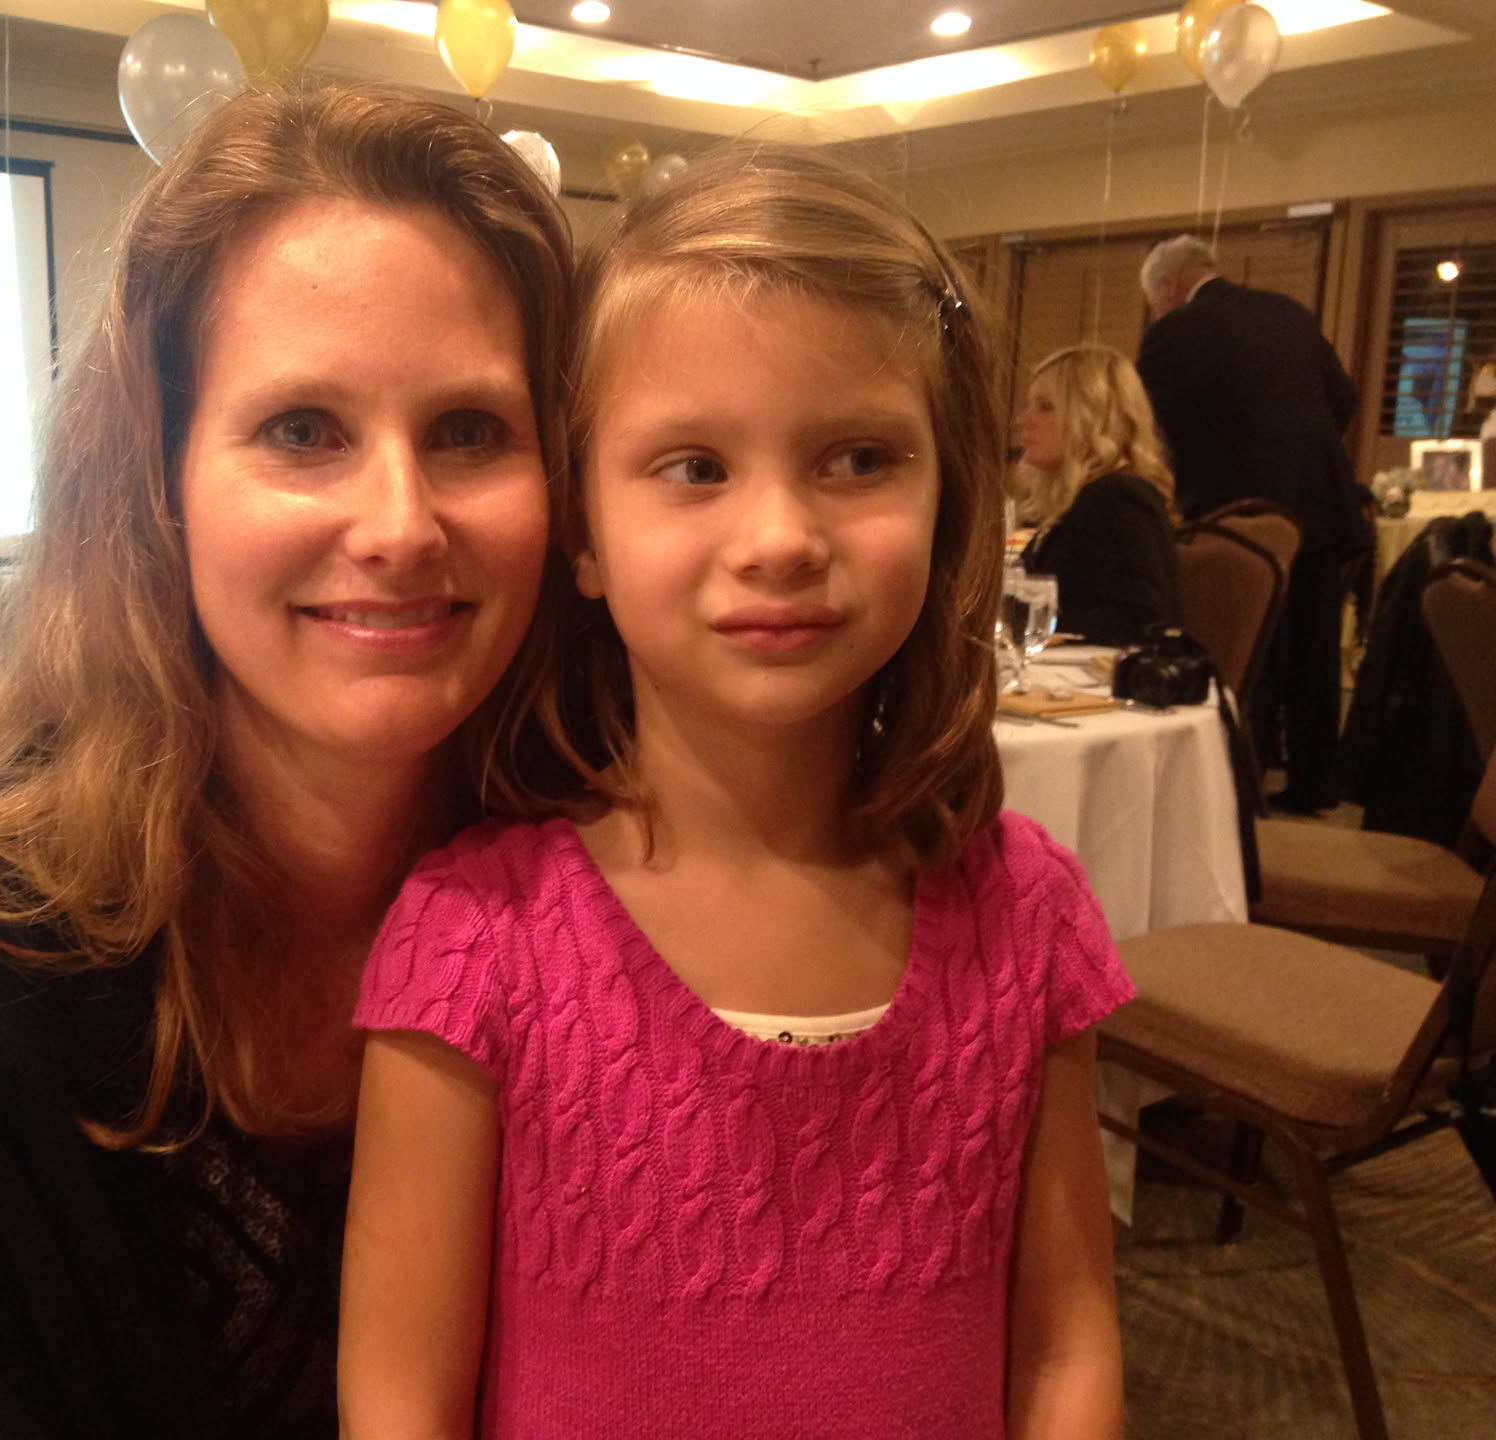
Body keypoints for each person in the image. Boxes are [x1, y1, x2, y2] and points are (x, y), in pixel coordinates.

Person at [0, 84, 572, 1439]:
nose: (400, 524)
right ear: (156, 480)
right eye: (303, 430)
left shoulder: (621, 923)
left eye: (470, 431)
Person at [339, 146, 1132, 1439]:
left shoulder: (1023, 919)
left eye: (859, 458)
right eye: (695, 467)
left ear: (949, 500)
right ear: (583, 531)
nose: (779, 540)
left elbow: (1063, 1348)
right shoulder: (476, 944)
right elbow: (397, 1404)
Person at [1136, 233, 1368, 813]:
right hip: (1318, 501)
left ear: (1168, 284)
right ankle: (1314, 783)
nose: (1155, 309)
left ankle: (1240, 779)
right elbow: (1344, 397)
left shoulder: (1172, 334)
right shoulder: (1287, 312)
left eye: (1153, 299)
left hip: (1233, 511)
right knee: (1314, 650)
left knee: (1245, 645)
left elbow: (1147, 425)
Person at [1013, 343, 1182, 646]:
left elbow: (1143, 620)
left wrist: (1033, 622)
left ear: (1093, 418)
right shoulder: (1080, 502)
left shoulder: (1116, 498)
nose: (1023, 421)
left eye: (1045, 407)